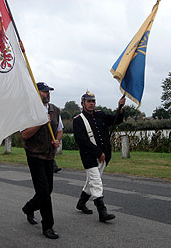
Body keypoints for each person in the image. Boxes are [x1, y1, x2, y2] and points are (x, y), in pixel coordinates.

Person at [73, 90, 126, 222]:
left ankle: (81, 203)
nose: (91, 104)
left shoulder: (100, 115)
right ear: (83, 103)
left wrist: (120, 107)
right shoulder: (78, 120)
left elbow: (116, 120)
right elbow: (82, 141)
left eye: (93, 101)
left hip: (104, 155)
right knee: (96, 182)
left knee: (91, 181)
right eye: (88, 101)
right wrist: (98, 153)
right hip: (89, 156)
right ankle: (102, 212)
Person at [21, 82, 63, 239]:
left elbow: (59, 130)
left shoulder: (54, 110)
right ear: (36, 93)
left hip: (49, 155)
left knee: (47, 190)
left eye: (48, 91)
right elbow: (24, 134)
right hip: (35, 155)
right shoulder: (28, 110)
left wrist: (57, 141)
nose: (47, 94)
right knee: (44, 192)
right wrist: (39, 122)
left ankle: (29, 208)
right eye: (44, 91)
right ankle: (48, 226)